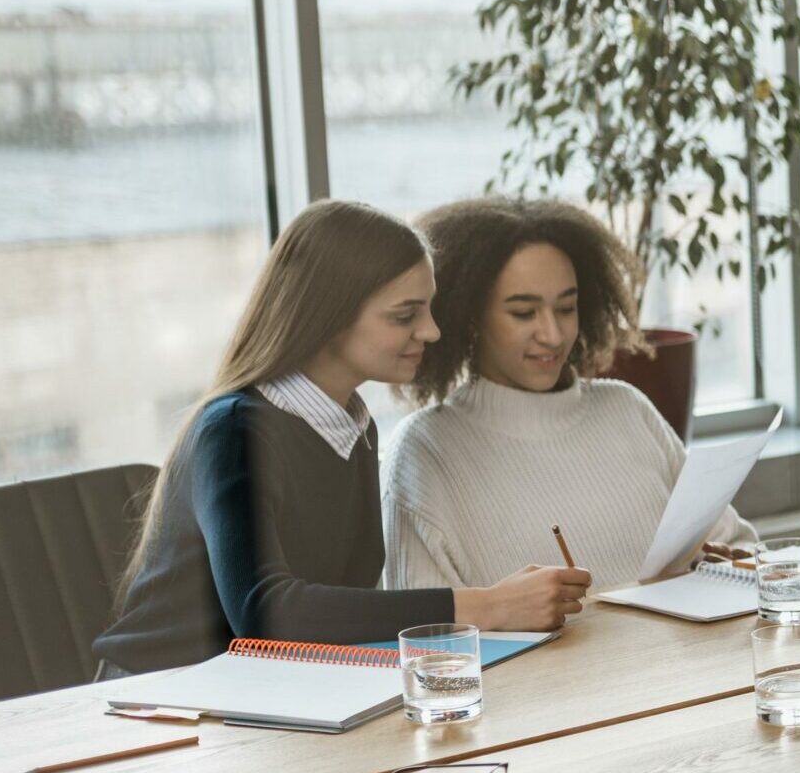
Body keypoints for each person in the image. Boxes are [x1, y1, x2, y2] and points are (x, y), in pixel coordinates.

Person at [95, 199, 588, 678]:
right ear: (328, 315)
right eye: (405, 315)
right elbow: (266, 614)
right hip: (160, 701)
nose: (432, 331)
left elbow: (346, 609)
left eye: (428, 309)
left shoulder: (355, 429)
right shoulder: (233, 431)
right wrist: (487, 606)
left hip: (267, 691)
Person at [384, 196, 751, 591]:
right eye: (524, 313)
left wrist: (721, 568)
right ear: (470, 317)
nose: (553, 335)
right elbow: (427, 641)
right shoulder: (425, 451)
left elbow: (742, 543)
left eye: (566, 308)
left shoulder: (627, 410)